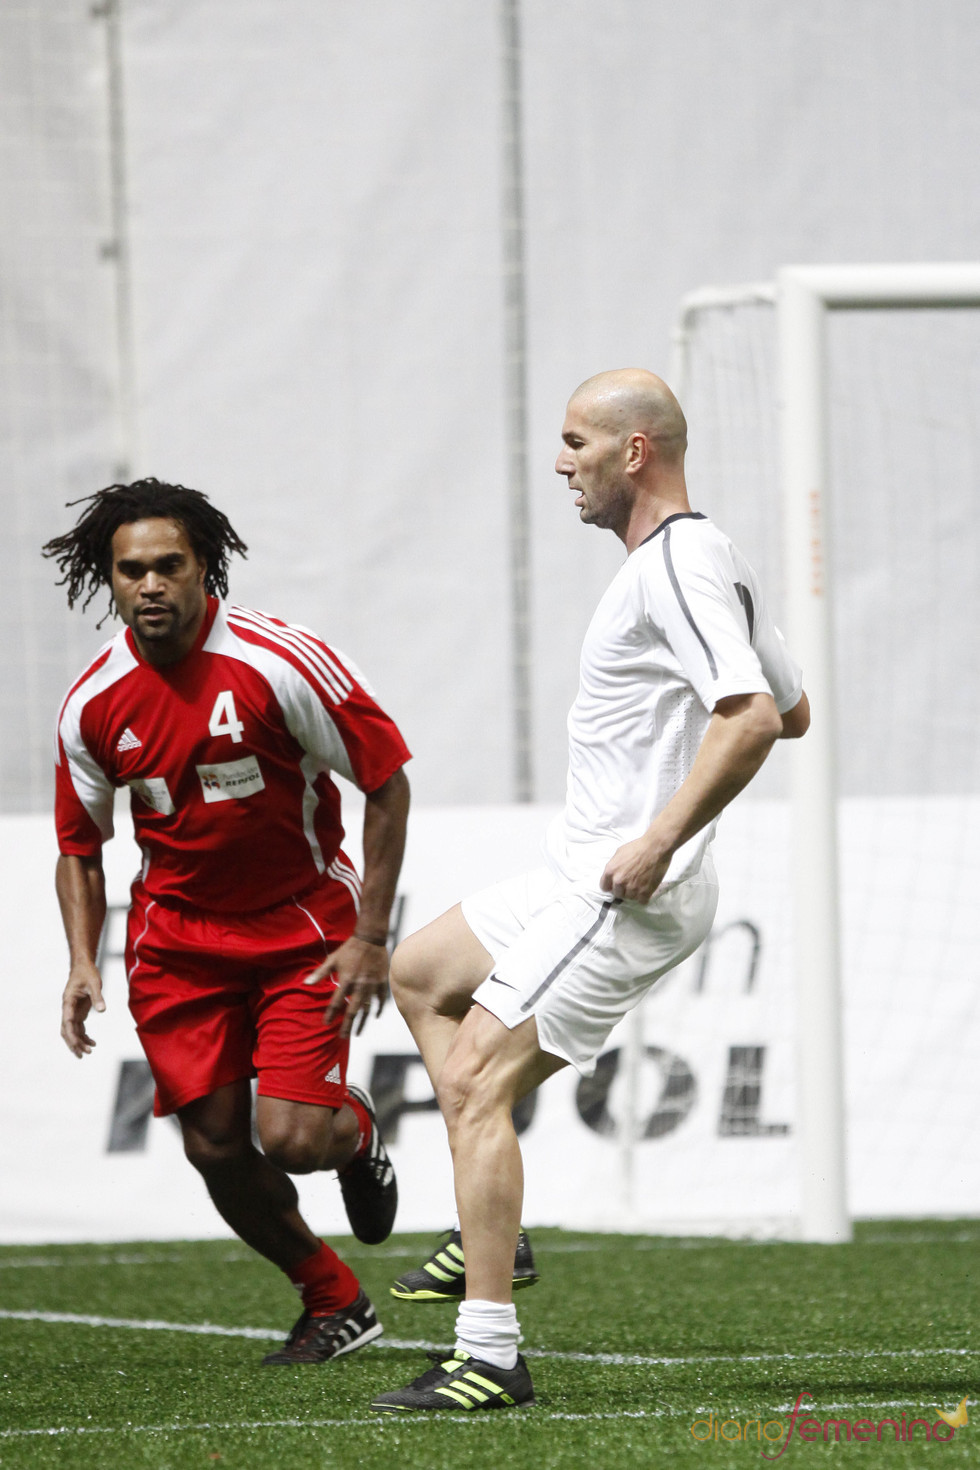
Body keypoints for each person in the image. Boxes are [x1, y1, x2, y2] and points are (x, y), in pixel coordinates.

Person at [371, 369, 809, 1413]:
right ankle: (498, 1225)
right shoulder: (708, 559)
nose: (560, 460)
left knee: (475, 1079)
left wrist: (658, 834)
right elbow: (790, 711)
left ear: (635, 452)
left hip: (624, 887)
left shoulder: (674, 567)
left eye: (576, 441)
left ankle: (488, 1355)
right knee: (420, 972)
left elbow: (748, 720)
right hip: (586, 871)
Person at [44, 479, 411, 1365]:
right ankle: (333, 1300)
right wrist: (81, 962)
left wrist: (370, 933)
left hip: (302, 930)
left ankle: (353, 1129)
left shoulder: (278, 662)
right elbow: (79, 846)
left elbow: (386, 780)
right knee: (213, 1146)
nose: (152, 585)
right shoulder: (91, 705)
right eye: (131, 570)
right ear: (110, 580)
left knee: (289, 1140)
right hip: (176, 941)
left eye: (170, 565)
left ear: (206, 566)